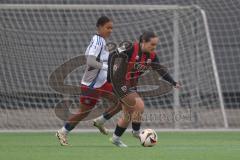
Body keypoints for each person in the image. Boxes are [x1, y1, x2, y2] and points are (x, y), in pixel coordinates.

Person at [94, 31, 181, 147]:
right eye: (152, 44)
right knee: (139, 105)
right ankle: (136, 132)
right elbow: (112, 55)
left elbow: (160, 70)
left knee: (127, 114)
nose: (154, 47)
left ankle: (115, 138)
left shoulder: (152, 56)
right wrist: (110, 75)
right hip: (119, 81)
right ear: (143, 42)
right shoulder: (130, 47)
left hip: (131, 85)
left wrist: (173, 82)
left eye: (156, 45)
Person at [56, 15, 122, 146]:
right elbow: (90, 61)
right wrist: (107, 67)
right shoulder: (98, 41)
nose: (110, 30)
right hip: (91, 86)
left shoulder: (101, 41)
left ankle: (100, 121)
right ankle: (62, 131)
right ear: (99, 27)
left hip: (102, 83)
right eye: (108, 27)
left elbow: (101, 59)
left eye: (112, 28)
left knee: (120, 102)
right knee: (83, 113)